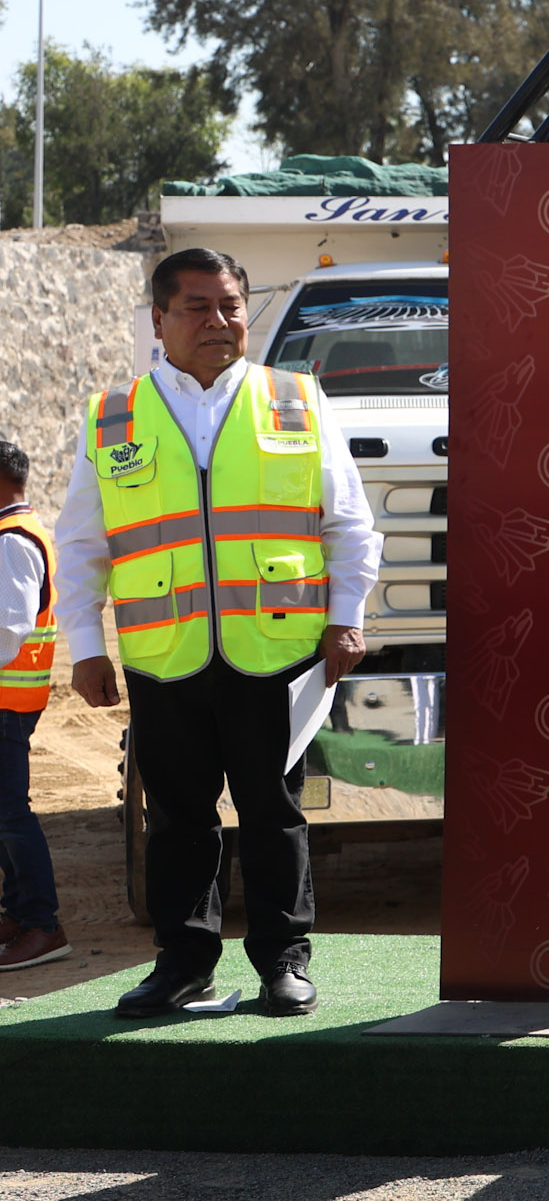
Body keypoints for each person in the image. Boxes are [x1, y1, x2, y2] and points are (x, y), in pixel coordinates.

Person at [63, 248, 380, 1016]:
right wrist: (86, 647)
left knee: (273, 812)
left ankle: (283, 962)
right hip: (164, 656)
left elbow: (348, 521)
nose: (219, 321)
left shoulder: (296, 400)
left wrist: (347, 617)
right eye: (197, 307)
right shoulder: (112, 417)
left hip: (274, 651)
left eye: (231, 305)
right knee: (177, 820)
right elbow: (81, 544)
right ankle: (183, 964)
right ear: (159, 320)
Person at [0, 437, 70, 972]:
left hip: (7, 700)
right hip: (12, 696)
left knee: (10, 813)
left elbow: (11, 627)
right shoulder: (22, 532)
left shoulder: (12, 541)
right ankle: (18, 915)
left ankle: (43, 925)